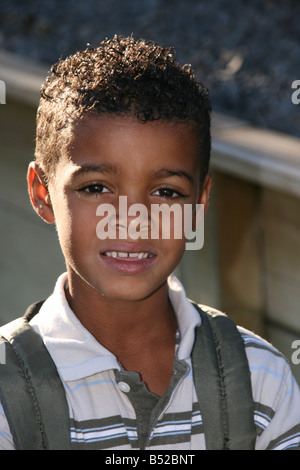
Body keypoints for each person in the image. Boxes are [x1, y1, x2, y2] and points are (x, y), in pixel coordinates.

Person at [0, 35, 300, 450]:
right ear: (42, 193)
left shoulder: (259, 380)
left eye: (166, 193)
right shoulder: (6, 393)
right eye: (96, 187)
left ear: (199, 202)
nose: (131, 220)